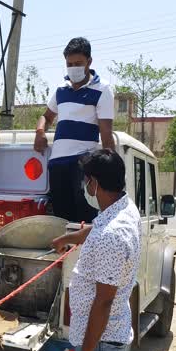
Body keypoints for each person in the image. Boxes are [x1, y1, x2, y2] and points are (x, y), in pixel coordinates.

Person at [50, 149, 141, 351]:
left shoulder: (110, 237)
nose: (84, 185)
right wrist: (73, 237)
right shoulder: (124, 209)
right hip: (113, 336)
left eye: (87, 179)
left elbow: (103, 301)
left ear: (95, 183)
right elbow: (100, 226)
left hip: (100, 343)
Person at [34, 37, 115, 223]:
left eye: (78, 63)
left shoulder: (102, 89)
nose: (73, 68)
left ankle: (82, 252)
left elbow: (106, 133)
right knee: (62, 220)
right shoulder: (61, 89)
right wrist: (40, 132)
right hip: (57, 164)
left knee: (83, 218)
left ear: (89, 62)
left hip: (82, 163)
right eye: (69, 64)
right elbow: (46, 117)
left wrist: (110, 170)